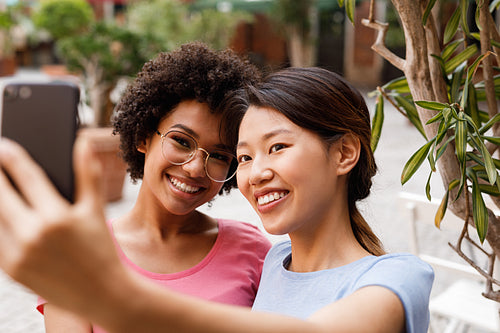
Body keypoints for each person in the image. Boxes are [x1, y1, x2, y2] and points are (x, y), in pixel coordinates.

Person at [0, 67, 434, 333]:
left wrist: (117, 300)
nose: (256, 171)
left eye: (277, 147)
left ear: (343, 153)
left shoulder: (399, 277)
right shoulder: (273, 266)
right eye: (244, 156)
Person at [37, 42, 271, 332]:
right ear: (144, 136)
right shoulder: (76, 255)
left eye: (220, 156)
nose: (195, 167)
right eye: (181, 141)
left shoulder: (253, 251)